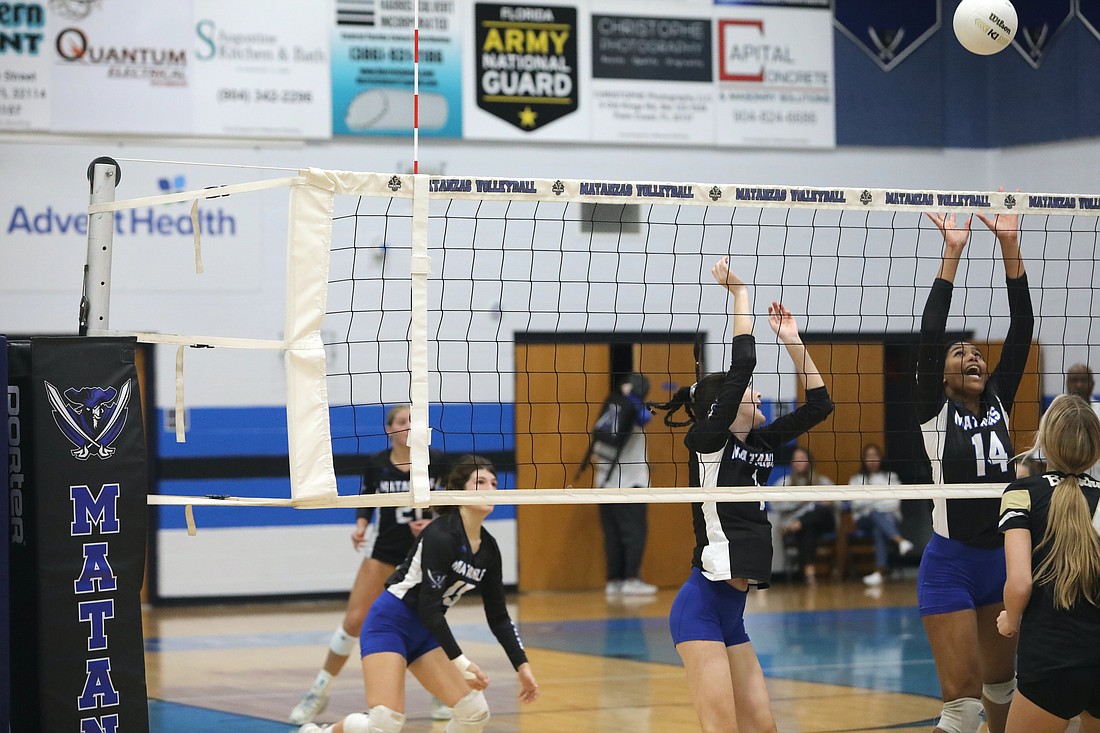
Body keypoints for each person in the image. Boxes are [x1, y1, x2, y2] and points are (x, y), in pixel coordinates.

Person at [650, 256, 833, 732]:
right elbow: (743, 362)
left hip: (733, 613)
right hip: (701, 608)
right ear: (724, 405)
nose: (758, 394)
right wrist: (740, 293)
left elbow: (821, 405)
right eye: (749, 391)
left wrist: (792, 341)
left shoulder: (761, 442)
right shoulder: (706, 443)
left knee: (763, 728)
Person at [300, 455, 540, 733]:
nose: (490, 489)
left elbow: (498, 616)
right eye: (480, 482)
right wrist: (461, 662)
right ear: (458, 492)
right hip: (389, 624)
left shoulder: (489, 549)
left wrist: (522, 665)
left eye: (494, 483)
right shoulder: (441, 535)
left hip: (425, 633)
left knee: (474, 713)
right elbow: (429, 606)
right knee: (385, 723)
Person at [915, 206, 1033, 733]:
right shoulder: (934, 412)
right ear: (941, 375)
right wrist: (953, 253)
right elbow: (930, 332)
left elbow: (1022, 326)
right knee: (963, 708)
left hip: (1002, 560)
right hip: (952, 564)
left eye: (977, 354)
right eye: (959, 354)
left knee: (1002, 689)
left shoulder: (999, 400)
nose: (973, 358)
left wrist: (1009, 243)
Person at [290, 404, 449, 724]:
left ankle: (442, 693)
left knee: (429, 622)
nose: (409, 426)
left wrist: (433, 523)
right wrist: (361, 526)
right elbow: (366, 502)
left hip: (424, 553)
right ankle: (319, 692)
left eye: (413, 421)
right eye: (402, 421)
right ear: (390, 428)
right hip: (385, 552)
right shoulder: (377, 463)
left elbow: (449, 505)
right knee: (354, 620)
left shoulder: (438, 461)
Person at [996, 394, 1100, 733]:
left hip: (1051, 659)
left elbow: (1020, 583)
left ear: (1044, 441)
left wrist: (1010, 620)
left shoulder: (1022, 492)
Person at [592, 372, 657, 596]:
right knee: (634, 534)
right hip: (631, 486)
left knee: (613, 535)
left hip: (603, 484)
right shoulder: (632, 411)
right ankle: (630, 579)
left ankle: (614, 581)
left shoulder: (611, 409)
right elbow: (646, 418)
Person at [848, 442, 914, 587]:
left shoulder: (891, 477)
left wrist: (870, 499)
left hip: (890, 518)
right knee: (874, 513)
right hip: (864, 520)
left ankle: (879, 573)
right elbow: (856, 503)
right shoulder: (856, 479)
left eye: (875, 455)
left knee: (879, 528)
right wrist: (881, 499)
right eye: (868, 456)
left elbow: (894, 502)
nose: (872, 460)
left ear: (881, 458)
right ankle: (900, 541)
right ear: (864, 459)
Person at [774, 446, 836, 585]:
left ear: (809, 462)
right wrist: (798, 502)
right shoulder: (785, 482)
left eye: (802, 459)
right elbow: (776, 505)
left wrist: (825, 501)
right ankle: (809, 572)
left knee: (821, 510)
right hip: (804, 528)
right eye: (795, 459)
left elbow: (835, 502)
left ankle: (799, 523)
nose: (798, 462)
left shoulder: (822, 481)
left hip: (824, 524)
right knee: (808, 528)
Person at [1065, 363, 1100, 476]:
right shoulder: (1056, 414)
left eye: (1084, 380)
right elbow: (1040, 458)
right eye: (1074, 380)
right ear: (1067, 384)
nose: (1079, 385)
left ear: (1092, 384)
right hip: (1065, 480)